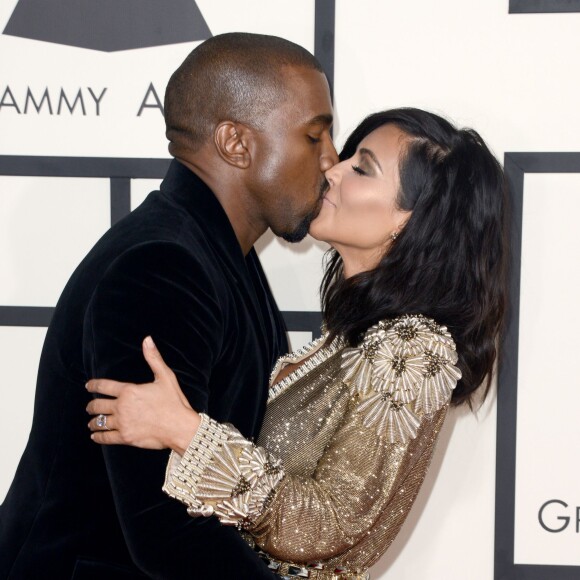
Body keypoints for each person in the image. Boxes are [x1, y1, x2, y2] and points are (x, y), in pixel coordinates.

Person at [86, 108, 509, 579]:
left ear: (413, 221)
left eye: (361, 168)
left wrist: (185, 431)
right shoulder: (357, 334)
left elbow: (327, 525)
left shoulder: (412, 350)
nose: (332, 170)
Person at [0, 33, 337, 579]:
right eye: (314, 135)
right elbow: (166, 528)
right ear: (235, 142)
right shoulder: (162, 267)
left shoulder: (218, 253)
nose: (331, 160)